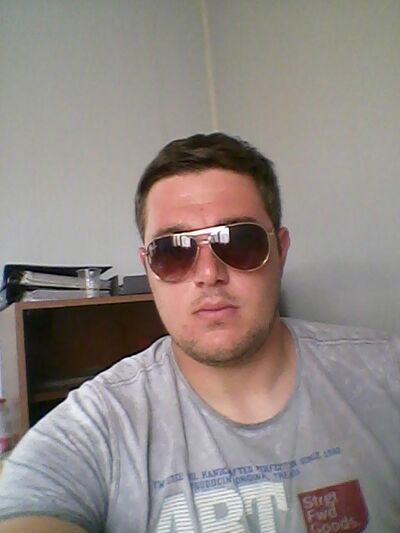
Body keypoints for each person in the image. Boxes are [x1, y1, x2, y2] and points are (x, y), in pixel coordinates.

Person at [0, 133, 399, 533]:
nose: (209, 274)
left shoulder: (385, 374)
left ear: (280, 252)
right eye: (173, 250)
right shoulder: (98, 426)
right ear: (148, 267)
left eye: (238, 241)